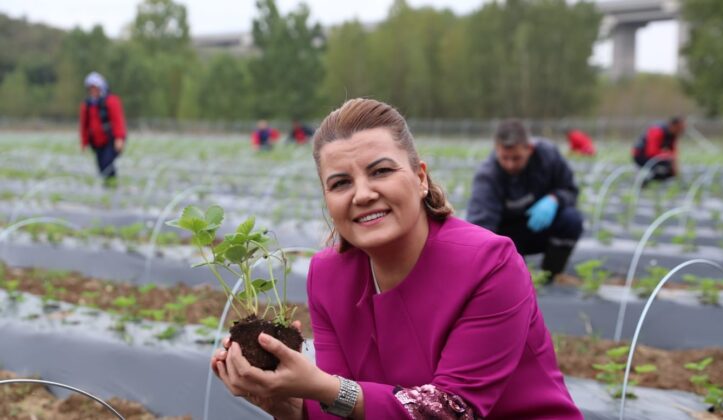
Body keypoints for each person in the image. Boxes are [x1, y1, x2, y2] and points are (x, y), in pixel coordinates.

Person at [211, 99, 582, 419]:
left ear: (420, 178)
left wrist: (324, 388)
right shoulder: (328, 276)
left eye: (381, 171)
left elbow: (451, 410)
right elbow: (349, 408)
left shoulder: (489, 264)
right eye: (340, 183)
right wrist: (286, 404)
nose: (363, 194)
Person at [467, 119, 583, 284]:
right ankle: (517, 277)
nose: (510, 164)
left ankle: (549, 276)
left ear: (530, 148)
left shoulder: (548, 156)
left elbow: (570, 190)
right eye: (505, 158)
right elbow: (481, 225)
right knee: (514, 280)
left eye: (517, 158)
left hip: (541, 227)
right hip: (508, 236)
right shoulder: (488, 176)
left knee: (571, 219)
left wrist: (555, 198)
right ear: (497, 149)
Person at [79, 72, 126, 185]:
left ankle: (112, 184)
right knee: (101, 167)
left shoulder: (111, 101)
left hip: (111, 140)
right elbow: (84, 125)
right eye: (90, 88)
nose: (93, 91)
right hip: (97, 142)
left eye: (95, 88)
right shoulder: (87, 105)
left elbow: (118, 120)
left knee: (107, 163)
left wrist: (119, 138)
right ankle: (109, 185)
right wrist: (84, 142)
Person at [632, 117, 684, 184]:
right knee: (665, 167)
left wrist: (674, 162)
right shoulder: (657, 130)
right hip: (640, 155)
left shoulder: (672, 135)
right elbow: (652, 151)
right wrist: (668, 156)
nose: (682, 131)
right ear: (674, 125)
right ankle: (644, 180)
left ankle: (650, 181)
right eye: (680, 128)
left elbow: (673, 152)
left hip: (654, 156)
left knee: (670, 171)